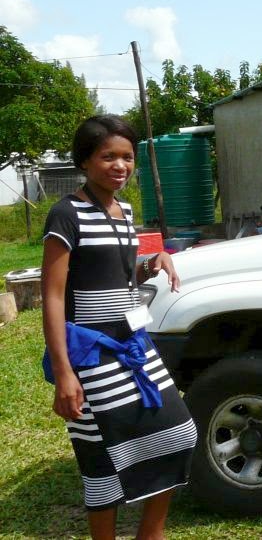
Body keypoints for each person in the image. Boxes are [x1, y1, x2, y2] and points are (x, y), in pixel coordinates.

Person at [41, 115, 195, 540]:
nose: (120, 166)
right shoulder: (66, 214)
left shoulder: (123, 210)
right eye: (108, 156)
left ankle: (150, 533)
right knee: (101, 461)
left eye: (127, 157)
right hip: (91, 352)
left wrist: (152, 262)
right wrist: (64, 373)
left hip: (134, 345)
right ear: (85, 160)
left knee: (179, 433)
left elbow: (118, 277)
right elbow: (52, 296)